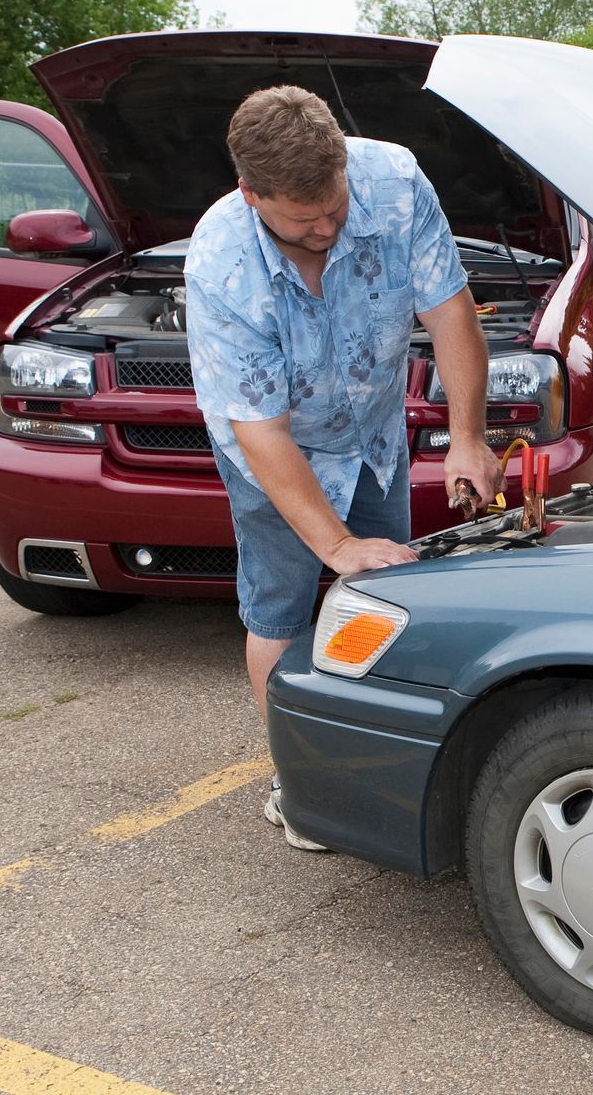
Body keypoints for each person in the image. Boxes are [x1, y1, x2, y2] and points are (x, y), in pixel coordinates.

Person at [185, 86, 503, 849]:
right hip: (278, 458)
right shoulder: (223, 261)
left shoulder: (394, 183)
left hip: (372, 437)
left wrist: (467, 436)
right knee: (282, 611)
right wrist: (334, 547)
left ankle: (381, 765)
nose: (327, 226)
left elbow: (451, 310)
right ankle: (299, 786)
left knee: (382, 599)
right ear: (250, 194)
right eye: (304, 218)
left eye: (334, 204)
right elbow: (261, 432)